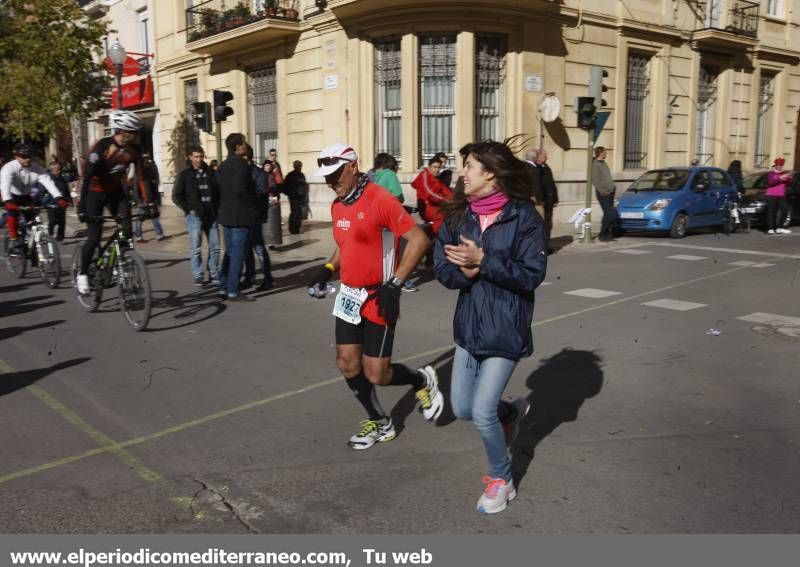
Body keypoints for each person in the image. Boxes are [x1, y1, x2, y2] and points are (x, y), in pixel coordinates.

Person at [307, 142, 443, 450]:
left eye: (336, 174)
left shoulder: (380, 199)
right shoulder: (338, 204)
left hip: (379, 296)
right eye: (326, 177)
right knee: (346, 363)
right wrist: (327, 268)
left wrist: (395, 284)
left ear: (353, 167)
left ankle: (421, 380)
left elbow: (419, 240)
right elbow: (346, 242)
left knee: (377, 373)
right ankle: (381, 423)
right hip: (348, 296)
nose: (331, 183)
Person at [435, 139, 547, 514]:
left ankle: (502, 479)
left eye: (469, 165)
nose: (462, 172)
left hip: (506, 328)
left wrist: (484, 259)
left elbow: (531, 275)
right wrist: (464, 272)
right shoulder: (457, 216)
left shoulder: (524, 217)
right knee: (464, 408)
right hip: (469, 328)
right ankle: (510, 414)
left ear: (491, 174)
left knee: (481, 411)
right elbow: (441, 268)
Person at [75, 111, 156, 294]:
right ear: (121, 130)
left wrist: (149, 203)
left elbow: (142, 178)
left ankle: (123, 265)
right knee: (95, 237)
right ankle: (82, 273)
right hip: (93, 193)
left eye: (136, 132)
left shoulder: (134, 149)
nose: (136, 135)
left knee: (125, 231)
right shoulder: (101, 148)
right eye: (133, 132)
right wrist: (81, 206)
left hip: (115, 193)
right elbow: (86, 177)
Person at [216, 133, 260, 301]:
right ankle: (233, 290)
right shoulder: (241, 165)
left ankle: (223, 286)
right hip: (240, 217)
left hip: (226, 215)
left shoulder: (223, 165)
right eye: (243, 144)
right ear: (237, 147)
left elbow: (218, 188)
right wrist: (253, 206)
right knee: (237, 255)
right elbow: (240, 188)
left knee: (229, 253)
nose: (245, 146)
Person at [1, 144, 69, 249]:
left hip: (26, 196)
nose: (28, 159)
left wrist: (59, 198)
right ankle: (14, 238)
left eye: (29, 156)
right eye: (24, 157)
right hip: (12, 196)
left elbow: (48, 182)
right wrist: (7, 200)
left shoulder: (37, 168)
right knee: (12, 214)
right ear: (16, 157)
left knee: (32, 221)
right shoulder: (9, 168)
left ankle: (31, 245)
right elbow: (5, 184)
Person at [172, 145, 221, 286]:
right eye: (196, 157)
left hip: (211, 215)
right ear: (190, 157)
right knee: (195, 247)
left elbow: (219, 192)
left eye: (200, 156)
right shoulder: (185, 175)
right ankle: (198, 274)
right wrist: (188, 209)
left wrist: (218, 210)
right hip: (195, 216)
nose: (199, 159)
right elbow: (176, 196)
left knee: (215, 246)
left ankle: (213, 272)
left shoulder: (211, 173)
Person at [242, 147, 273, 291]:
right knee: (247, 249)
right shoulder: (242, 173)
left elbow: (262, 195)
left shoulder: (259, 174)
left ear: (247, 157)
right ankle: (249, 277)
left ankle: (268, 279)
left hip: (254, 217)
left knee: (259, 248)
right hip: (244, 217)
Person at [133, 152, 166, 242]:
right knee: (140, 218)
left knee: (154, 216)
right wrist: (139, 201)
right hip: (143, 200)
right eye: (144, 159)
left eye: (147, 158)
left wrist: (155, 198)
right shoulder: (138, 172)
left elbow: (155, 183)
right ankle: (139, 236)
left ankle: (159, 234)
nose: (146, 160)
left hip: (151, 198)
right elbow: (136, 187)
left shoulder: (151, 168)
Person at [36, 160, 73, 241]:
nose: (60, 171)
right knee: (52, 221)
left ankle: (60, 238)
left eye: (60, 169)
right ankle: (50, 235)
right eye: (58, 170)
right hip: (51, 204)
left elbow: (66, 190)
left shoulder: (62, 179)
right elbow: (41, 192)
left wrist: (69, 200)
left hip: (62, 204)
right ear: (52, 170)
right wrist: (43, 201)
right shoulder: (47, 179)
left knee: (62, 222)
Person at [529, 148, 559, 242]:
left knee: (548, 225)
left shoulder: (546, 167)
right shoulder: (535, 168)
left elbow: (551, 184)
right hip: (541, 201)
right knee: (540, 225)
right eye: (545, 156)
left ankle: (546, 245)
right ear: (538, 157)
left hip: (549, 201)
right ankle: (540, 246)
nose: (547, 158)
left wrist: (555, 198)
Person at [591, 146, 617, 242]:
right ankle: (602, 234)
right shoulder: (595, 164)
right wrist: (603, 191)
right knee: (608, 213)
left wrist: (613, 187)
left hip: (610, 192)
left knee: (608, 214)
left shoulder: (603, 163)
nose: (606, 153)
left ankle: (607, 234)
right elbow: (596, 180)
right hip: (603, 193)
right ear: (600, 153)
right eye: (605, 152)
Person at [765, 157, 793, 235]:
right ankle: (771, 228)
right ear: (775, 165)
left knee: (785, 211)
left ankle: (779, 227)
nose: (779, 166)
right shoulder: (771, 173)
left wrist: (789, 179)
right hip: (771, 195)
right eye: (778, 165)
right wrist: (780, 178)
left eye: (781, 165)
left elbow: (787, 185)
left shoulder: (784, 173)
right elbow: (771, 182)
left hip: (781, 195)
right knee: (771, 212)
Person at [282, 160, 309, 235]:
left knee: (299, 213)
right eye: (298, 166)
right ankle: (292, 229)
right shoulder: (290, 175)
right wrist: (290, 194)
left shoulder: (301, 175)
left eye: (300, 166)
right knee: (295, 212)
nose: (299, 168)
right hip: (293, 197)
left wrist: (304, 196)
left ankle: (297, 228)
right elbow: (285, 186)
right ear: (295, 166)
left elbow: (303, 186)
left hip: (300, 197)